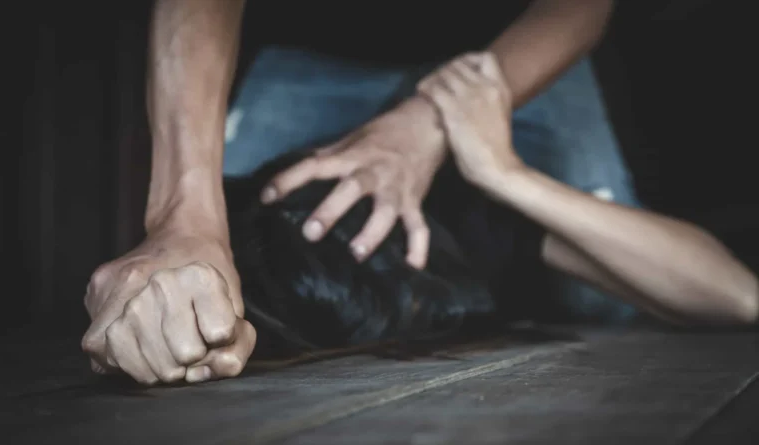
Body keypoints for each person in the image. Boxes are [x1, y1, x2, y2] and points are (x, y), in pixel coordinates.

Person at [80, 0, 757, 386]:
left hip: (502, 39)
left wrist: (481, 156)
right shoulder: (462, 234)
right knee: (201, 278)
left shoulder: (468, 216)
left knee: (601, 301)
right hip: (314, 42)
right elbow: (738, 295)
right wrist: (184, 219)